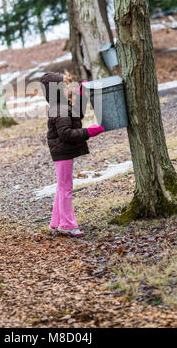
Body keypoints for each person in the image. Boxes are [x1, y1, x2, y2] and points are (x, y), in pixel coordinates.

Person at [40, 70, 104, 237]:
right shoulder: (60, 109)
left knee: (62, 186)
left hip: (62, 152)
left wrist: (82, 97)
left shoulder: (62, 106)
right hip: (62, 152)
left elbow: (76, 116)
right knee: (66, 187)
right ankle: (67, 225)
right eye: (66, 85)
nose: (70, 87)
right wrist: (89, 131)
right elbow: (66, 133)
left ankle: (56, 222)